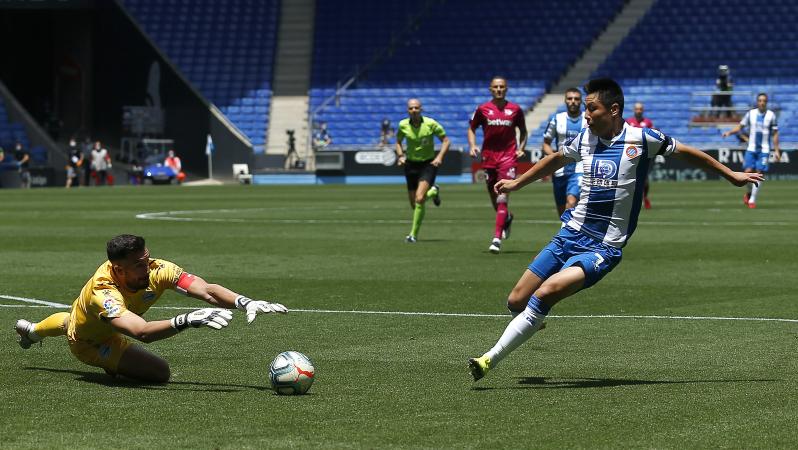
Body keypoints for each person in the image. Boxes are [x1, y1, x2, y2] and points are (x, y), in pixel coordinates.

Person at [467, 78, 763, 382]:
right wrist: (518, 183)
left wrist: (730, 175)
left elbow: (686, 151)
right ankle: (532, 321)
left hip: (603, 247)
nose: (585, 115)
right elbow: (556, 158)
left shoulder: (643, 138)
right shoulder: (584, 138)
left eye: (591, 109)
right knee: (516, 301)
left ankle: (489, 358)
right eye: (584, 108)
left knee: (545, 293)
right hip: (570, 234)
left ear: (613, 110)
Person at [14, 234, 288, 383]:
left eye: (146, 259)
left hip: (89, 318)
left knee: (74, 319)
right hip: (91, 344)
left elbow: (206, 290)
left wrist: (245, 302)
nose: (147, 267)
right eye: (139, 265)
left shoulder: (157, 269)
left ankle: (33, 332)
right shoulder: (104, 292)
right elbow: (141, 332)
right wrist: (186, 320)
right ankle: (44, 334)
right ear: (118, 269)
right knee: (160, 373)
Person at [468, 76, 528, 253]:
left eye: (502, 87)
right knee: (494, 197)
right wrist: (472, 145)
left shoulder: (515, 109)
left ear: (506, 89)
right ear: (490, 89)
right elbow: (471, 128)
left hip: (508, 158)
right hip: (488, 159)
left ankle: (496, 239)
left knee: (502, 196)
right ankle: (507, 217)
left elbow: (523, 131)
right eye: (496, 87)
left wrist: (521, 148)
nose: (499, 89)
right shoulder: (482, 109)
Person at [395, 98, 450, 242]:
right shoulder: (402, 125)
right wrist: (400, 156)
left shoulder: (431, 124)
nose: (414, 110)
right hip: (410, 165)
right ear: (408, 110)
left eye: (416, 108)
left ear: (421, 109)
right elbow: (398, 142)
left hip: (427, 164)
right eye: (411, 108)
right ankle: (433, 191)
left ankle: (413, 235)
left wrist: (439, 157)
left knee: (420, 198)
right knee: (415, 205)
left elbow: (446, 140)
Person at [722, 93, 780, 209]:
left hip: (764, 149)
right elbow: (741, 126)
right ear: (757, 102)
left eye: (764, 100)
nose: (762, 102)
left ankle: (752, 200)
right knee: (748, 172)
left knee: (759, 173)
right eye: (760, 100)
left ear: (766, 102)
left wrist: (777, 150)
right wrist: (729, 132)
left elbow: (774, 134)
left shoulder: (771, 115)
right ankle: (749, 193)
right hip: (751, 148)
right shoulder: (751, 114)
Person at [542, 88, 586, 217]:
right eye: (570, 99)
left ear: (581, 101)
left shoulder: (588, 120)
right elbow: (546, 143)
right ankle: (570, 233)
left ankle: (570, 235)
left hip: (580, 168)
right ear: (565, 101)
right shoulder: (557, 119)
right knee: (562, 212)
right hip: (559, 170)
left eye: (576, 99)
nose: (573, 102)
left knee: (571, 202)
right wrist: (554, 158)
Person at [625, 102, 655, 209]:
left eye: (640, 109)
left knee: (645, 180)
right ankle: (630, 200)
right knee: (629, 178)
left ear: (643, 110)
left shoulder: (648, 122)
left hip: (644, 154)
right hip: (630, 155)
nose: (638, 111)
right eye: (637, 109)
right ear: (634, 110)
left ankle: (645, 197)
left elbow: (653, 136)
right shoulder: (628, 122)